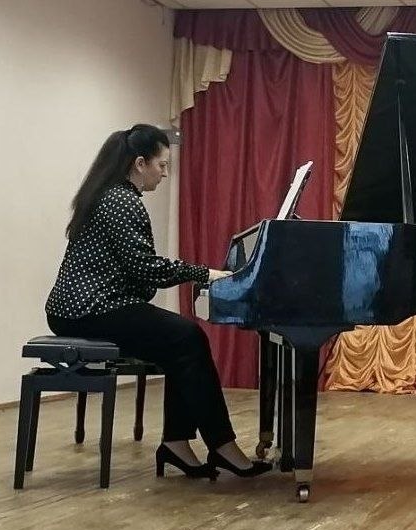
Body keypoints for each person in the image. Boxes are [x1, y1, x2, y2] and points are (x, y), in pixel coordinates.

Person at [45, 124, 271, 479]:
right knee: (187, 337)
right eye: (162, 165)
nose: (165, 174)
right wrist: (205, 273)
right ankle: (221, 445)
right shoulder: (121, 201)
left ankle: (178, 443)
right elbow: (146, 268)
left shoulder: (110, 195)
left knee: (181, 342)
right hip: (90, 309)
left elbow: (139, 270)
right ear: (140, 163)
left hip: (80, 308)